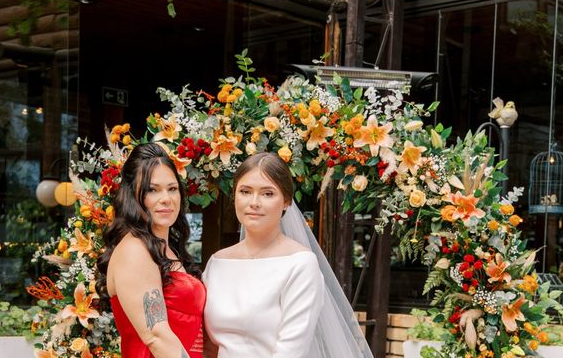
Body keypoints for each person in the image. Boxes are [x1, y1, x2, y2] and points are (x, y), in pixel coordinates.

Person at [203, 152, 373, 358]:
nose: (254, 202)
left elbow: (291, 351)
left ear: (286, 201)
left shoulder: (300, 264)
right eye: (245, 191)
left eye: (268, 194)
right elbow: (208, 344)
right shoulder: (218, 263)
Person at [97, 142, 206, 358]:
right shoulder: (134, 250)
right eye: (152, 190)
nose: (166, 198)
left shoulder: (168, 249)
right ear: (133, 195)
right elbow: (156, 337)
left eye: (172, 188)